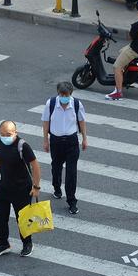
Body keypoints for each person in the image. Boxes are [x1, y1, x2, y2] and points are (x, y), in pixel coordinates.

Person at [0, 121, 42, 258]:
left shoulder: (22, 146)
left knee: (22, 219)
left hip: (21, 189)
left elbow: (35, 166)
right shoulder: (2, 143)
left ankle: (27, 243)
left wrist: (36, 187)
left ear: (15, 133)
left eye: (8, 134)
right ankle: (3, 244)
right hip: (4, 187)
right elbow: (1, 157)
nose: (5, 137)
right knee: (0, 216)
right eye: (2, 134)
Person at [41, 82, 88, 215]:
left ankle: (72, 202)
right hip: (56, 142)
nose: (63, 97)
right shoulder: (50, 104)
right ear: (58, 93)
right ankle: (56, 187)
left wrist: (84, 138)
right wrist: (45, 140)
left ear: (70, 94)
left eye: (66, 95)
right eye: (61, 94)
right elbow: (45, 122)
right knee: (56, 167)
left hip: (72, 142)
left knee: (71, 173)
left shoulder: (77, 104)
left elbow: (82, 121)